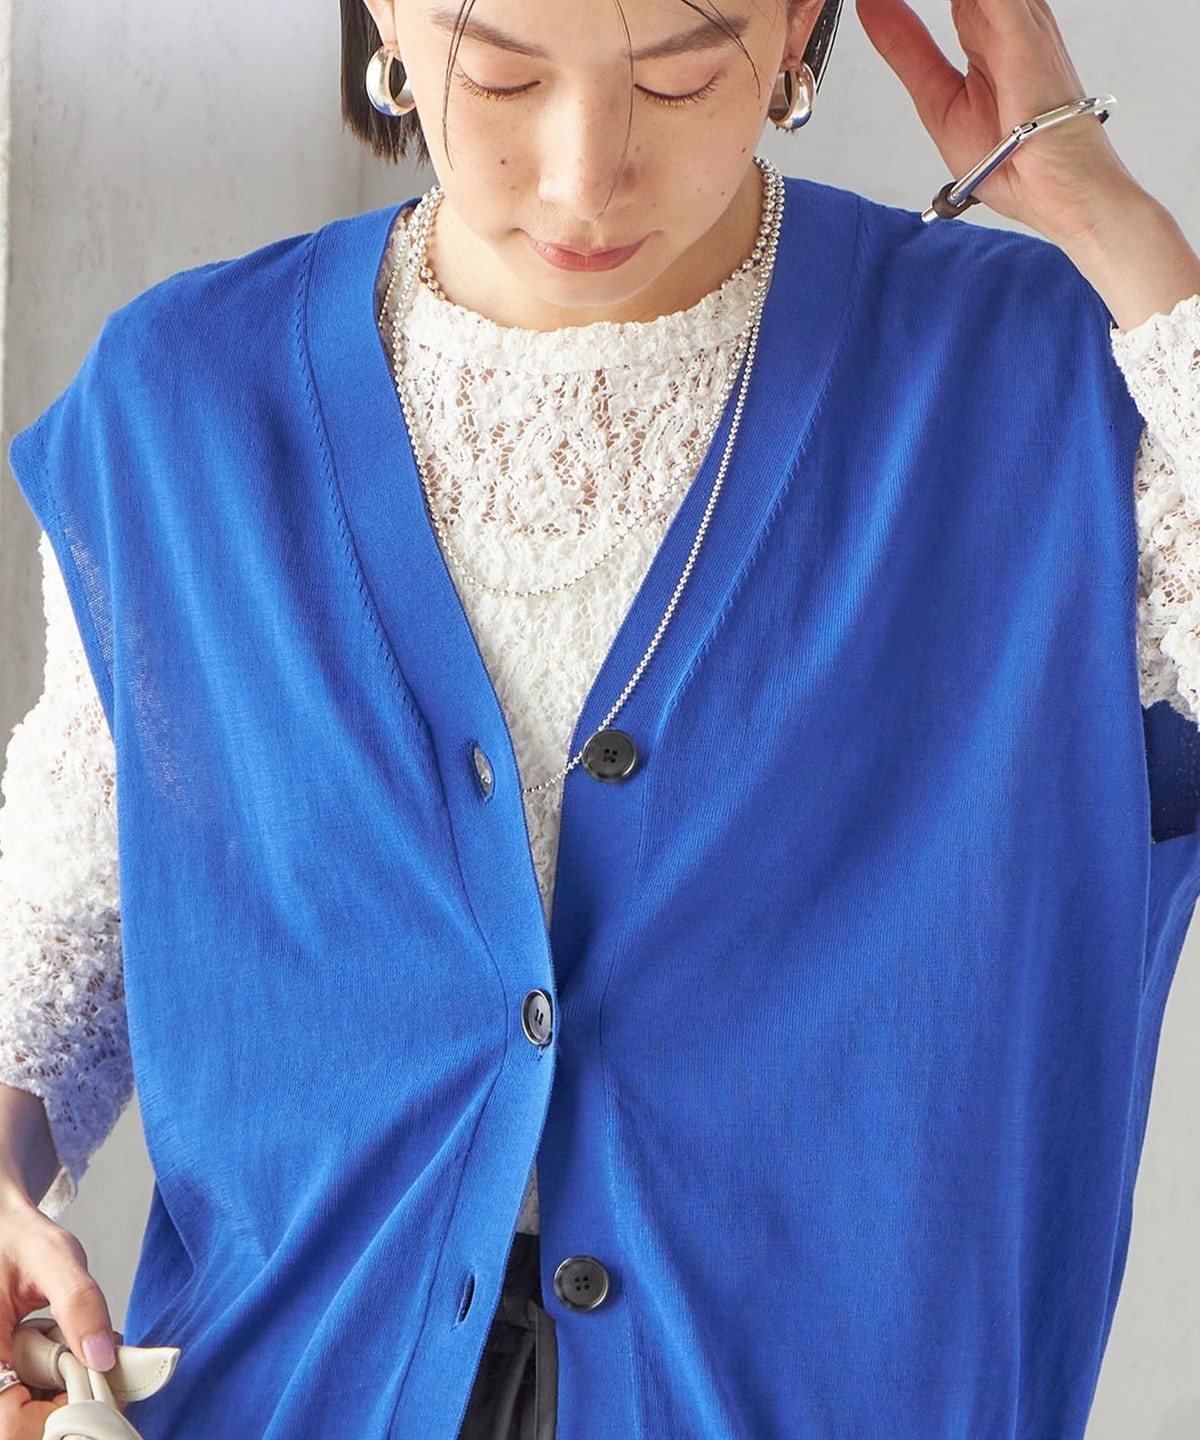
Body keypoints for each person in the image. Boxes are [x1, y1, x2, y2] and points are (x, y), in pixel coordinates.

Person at [2, 0, 1200, 1436]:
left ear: (798, 27)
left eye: (678, 79)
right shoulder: (183, 406)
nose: (582, 181)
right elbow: (75, 921)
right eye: (501, 75)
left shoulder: (1057, 390)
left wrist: (1119, 229)